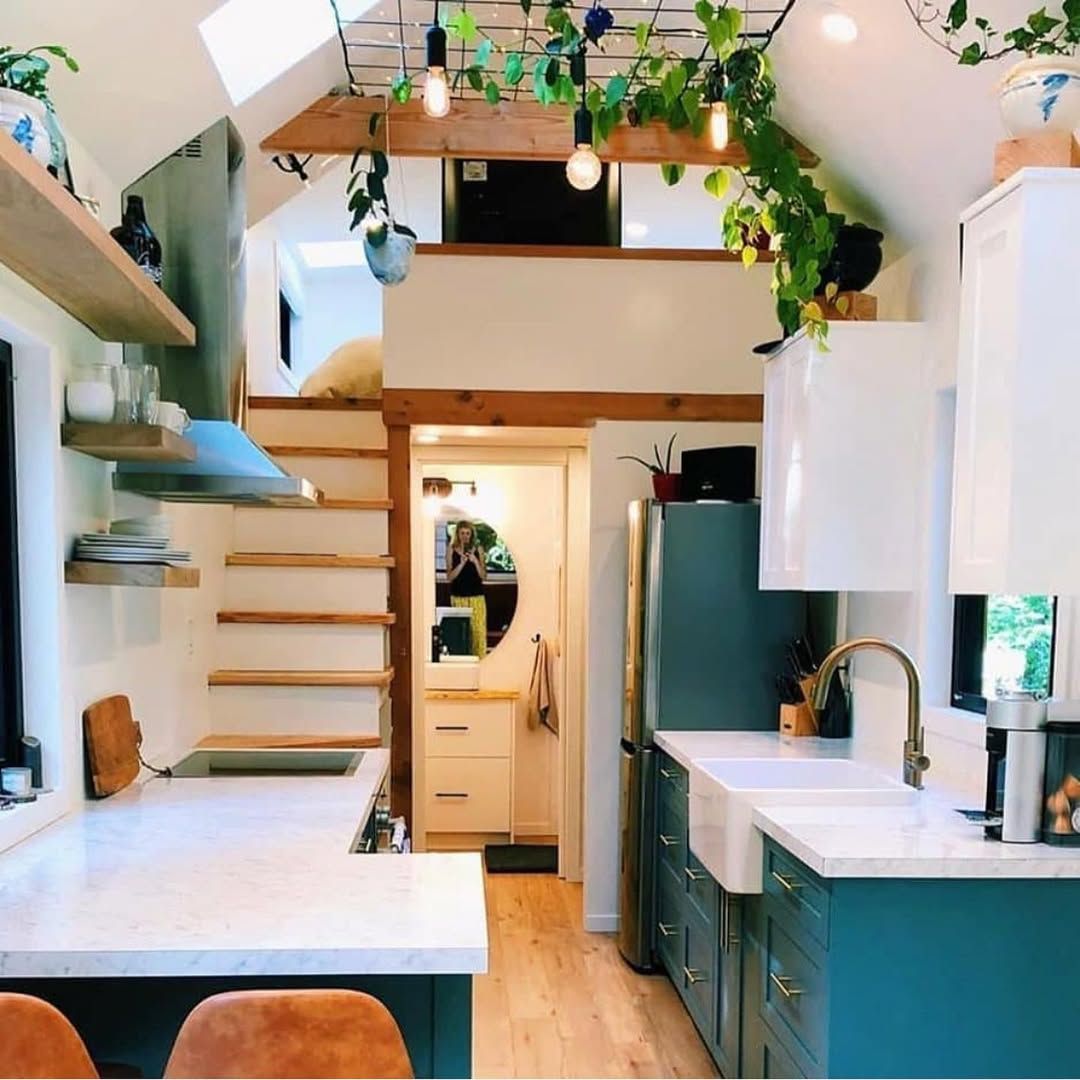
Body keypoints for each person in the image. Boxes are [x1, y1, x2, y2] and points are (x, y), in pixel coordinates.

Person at [446, 520, 488, 658]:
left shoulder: (478, 549)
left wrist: (475, 561)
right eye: (462, 533)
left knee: (477, 632)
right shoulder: (451, 549)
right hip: (458, 597)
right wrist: (461, 564)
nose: (465, 536)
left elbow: (483, 576)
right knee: (461, 633)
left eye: (467, 533)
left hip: (476, 597)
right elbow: (450, 577)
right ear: (457, 534)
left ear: (471, 535)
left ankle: (480, 660)